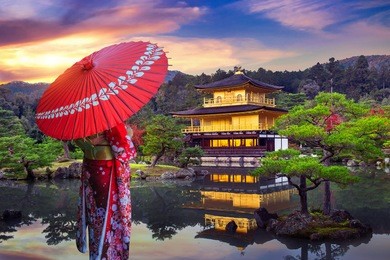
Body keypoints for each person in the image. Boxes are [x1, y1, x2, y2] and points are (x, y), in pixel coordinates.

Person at [74, 122, 136, 259]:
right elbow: (124, 151)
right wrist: (128, 134)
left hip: (91, 172)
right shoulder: (112, 123)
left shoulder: (81, 123)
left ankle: (96, 254)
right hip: (107, 174)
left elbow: (78, 142)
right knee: (109, 218)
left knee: (95, 217)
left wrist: (91, 142)